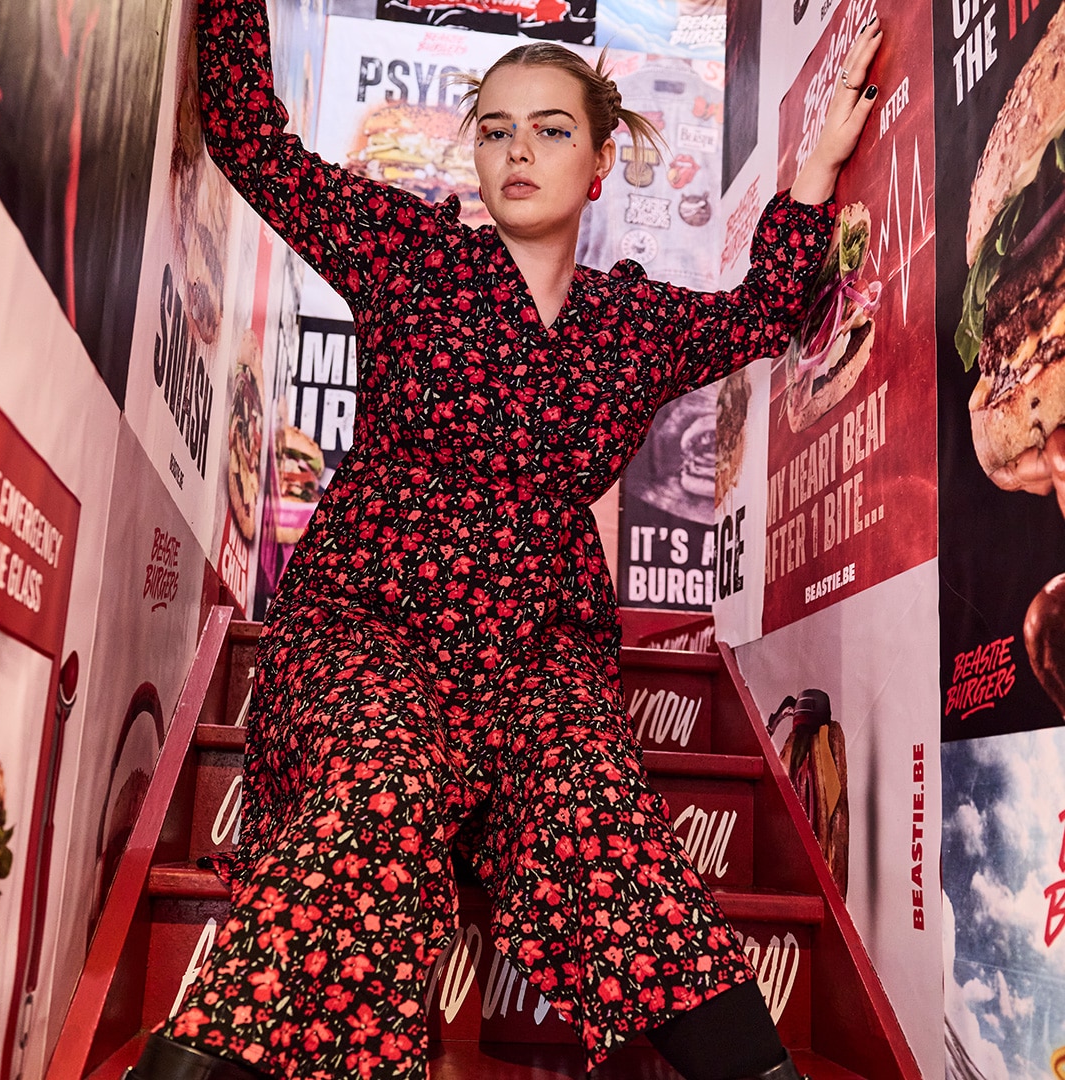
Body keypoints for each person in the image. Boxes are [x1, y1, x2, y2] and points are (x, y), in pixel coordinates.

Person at [126, 3, 882, 1078]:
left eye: (552, 129)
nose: (519, 151)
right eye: (496, 129)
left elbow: (766, 309)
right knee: (381, 787)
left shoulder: (636, 325)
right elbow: (252, 140)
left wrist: (812, 173)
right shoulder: (410, 251)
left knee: (599, 808)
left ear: (602, 159)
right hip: (368, 625)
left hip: (537, 654)